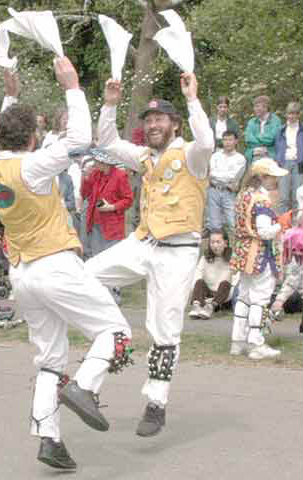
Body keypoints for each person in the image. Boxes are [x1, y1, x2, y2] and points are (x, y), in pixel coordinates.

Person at [0, 59, 132, 471]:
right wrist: (72, 85)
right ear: (33, 137)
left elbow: (2, 140)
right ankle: (85, 387)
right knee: (116, 330)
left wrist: (10, 94)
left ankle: (49, 437)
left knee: (50, 358)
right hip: (54, 263)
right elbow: (81, 138)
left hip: (22, 272)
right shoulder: (33, 164)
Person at [87, 71, 214, 437]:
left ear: (174, 124)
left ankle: (156, 403)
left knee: (165, 330)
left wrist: (192, 99)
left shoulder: (191, 155)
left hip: (178, 252)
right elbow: (108, 141)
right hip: (143, 243)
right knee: (84, 276)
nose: (153, 124)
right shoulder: (143, 155)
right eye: (149, 120)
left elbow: (206, 140)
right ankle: (112, 339)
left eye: (160, 119)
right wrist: (110, 104)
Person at [230, 158, 289, 359]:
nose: (275, 181)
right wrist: (282, 225)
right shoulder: (261, 200)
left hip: (243, 251)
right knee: (260, 299)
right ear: (262, 177)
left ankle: (237, 342)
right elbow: (264, 231)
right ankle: (256, 343)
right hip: (260, 253)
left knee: (244, 296)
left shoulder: (243, 195)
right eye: (272, 177)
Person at [80, 147, 133, 259]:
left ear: (104, 162)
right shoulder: (96, 174)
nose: (94, 163)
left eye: (96, 160)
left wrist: (112, 207)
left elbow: (128, 200)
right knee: (95, 259)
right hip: (94, 224)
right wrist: (86, 177)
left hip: (111, 227)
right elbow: (85, 194)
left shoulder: (120, 176)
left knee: (111, 260)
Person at [205, 130, 247, 233]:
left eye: (230, 139)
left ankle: (234, 247)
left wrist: (216, 175)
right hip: (213, 191)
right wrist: (223, 176)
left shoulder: (240, 159)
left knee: (233, 222)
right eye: (225, 140)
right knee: (214, 224)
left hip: (229, 192)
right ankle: (217, 247)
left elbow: (233, 177)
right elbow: (210, 172)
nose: (227, 142)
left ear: (236, 141)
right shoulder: (215, 156)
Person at [189, 229, 235, 319]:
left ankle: (210, 308)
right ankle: (196, 306)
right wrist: (202, 299)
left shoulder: (233, 258)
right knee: (199, 282)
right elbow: (197, 276)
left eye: (218, 242)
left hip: (223, 296)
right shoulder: (205, 257)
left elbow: (234, 285)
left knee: (225, 284)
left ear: (225, 243)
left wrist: (211, 301)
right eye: (212, 242)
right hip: (208, 293)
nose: (215, 245)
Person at [276, 101, 303, 212]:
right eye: (290, 113)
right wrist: (278, 161)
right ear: (286, 114)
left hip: (301, 163)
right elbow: (277, 146)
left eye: (295, 113)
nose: (292, 116)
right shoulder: (281, 129)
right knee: (283, 197)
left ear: (299, 115)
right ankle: (283, 225)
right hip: (284, 163)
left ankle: (297, 225)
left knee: (298, 196)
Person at [245, 95, 282, 165]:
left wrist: (257, 137)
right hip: (254, 154)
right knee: (253, 173)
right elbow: (248, 139)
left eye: (258, 106)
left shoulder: (275, 120)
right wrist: (257, 149)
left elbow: (271, 138)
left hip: (270, 154)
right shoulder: (251, 122)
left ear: (266, 107)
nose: (256, 109)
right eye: (255, 106)